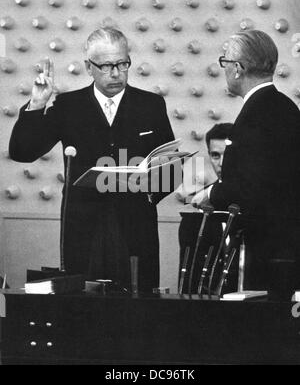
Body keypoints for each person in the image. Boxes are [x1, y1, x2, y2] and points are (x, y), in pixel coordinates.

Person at [9, 27, 175, 293]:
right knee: (83, 309)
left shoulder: (151, 105)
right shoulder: (68, 106)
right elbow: (22, 151)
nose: (116, 73)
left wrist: (146, 192)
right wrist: (37, 104)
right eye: (107, 66)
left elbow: (170, 170)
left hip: (135, 225)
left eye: (123, 64)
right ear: (89, 67)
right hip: (84, 228)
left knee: (137, 307)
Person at [192, 29, 300, 297]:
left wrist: (210, 193)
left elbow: (250, 186)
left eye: (225, 62)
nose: (224, 70)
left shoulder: (254, 116)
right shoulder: (286, 107)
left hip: (263, 249)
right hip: (288, 244)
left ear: (238, 69)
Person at [178, 123, 240, 294]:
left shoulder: (261, 202)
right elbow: (187, 280)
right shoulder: (199, 205)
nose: (221, 163)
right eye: (215, 155)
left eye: (227, 155)